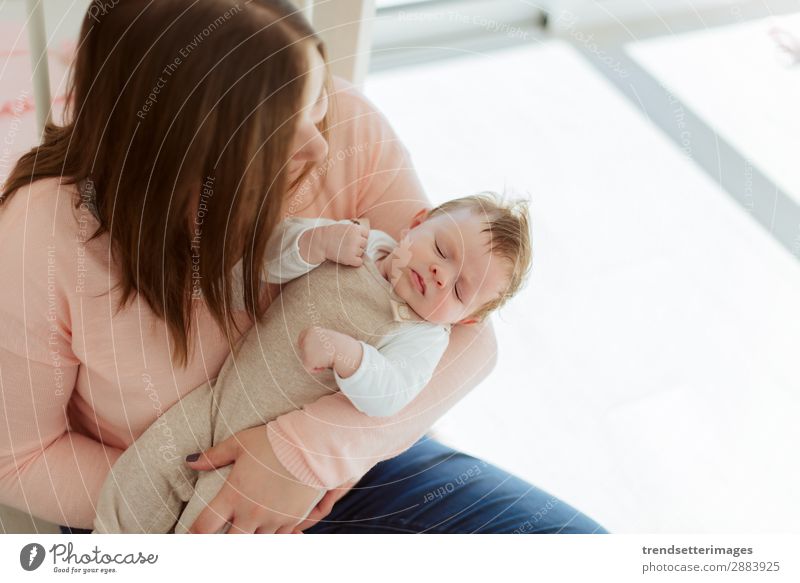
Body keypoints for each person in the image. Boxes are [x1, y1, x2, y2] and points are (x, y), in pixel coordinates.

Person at [0, 0, 607, 534]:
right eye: (286, 134)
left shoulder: (345, 127)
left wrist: (303, 457)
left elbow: (466, 334)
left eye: (317, 106)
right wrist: (204, 497)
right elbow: (20, 461)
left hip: (336, 461)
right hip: (152, 502)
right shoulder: (45, 239)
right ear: (192, 158)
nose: (320, 147)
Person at [92, 193, 533, 533]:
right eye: (442, 249)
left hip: (268, 449)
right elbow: (266, 262)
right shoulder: (359, 241)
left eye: (458, 290)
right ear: (417, 223)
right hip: (218, 399)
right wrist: (314, 241)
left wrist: (350, 357)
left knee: (213, 526)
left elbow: (393, 393)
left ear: (467, 319)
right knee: (141, 477)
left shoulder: (421, 336)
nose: (441, 274)